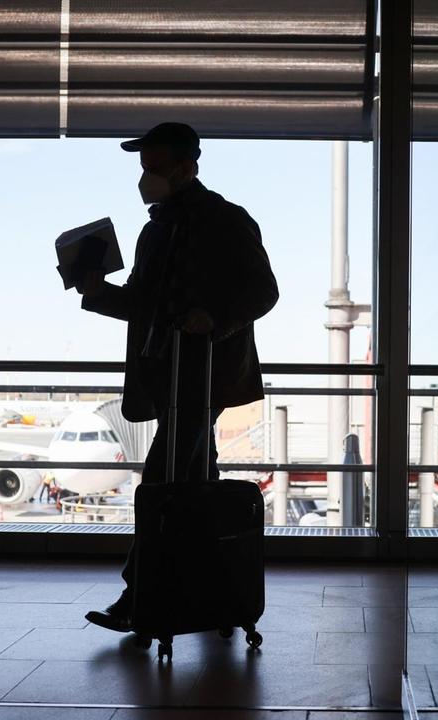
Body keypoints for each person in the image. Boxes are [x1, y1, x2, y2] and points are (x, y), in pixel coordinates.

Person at [76, 122, 279, 632]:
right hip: (169, 376)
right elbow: (145, 305)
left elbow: (264, 291)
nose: (146, 178)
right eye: (145, 168)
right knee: (194, 481)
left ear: (188, 167)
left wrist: (214, 318)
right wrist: (96, 289)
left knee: (164, 482)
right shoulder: (158, 228)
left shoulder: (225, 221)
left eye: (155, 168)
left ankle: (142, 598)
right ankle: (217, 593)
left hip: (201, 375)